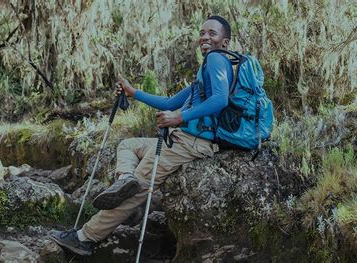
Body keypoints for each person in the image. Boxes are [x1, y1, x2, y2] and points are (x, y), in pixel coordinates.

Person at [50, 15, 234, 256]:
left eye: (212, 33)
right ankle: (126, 179)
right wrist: (133, 92)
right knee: (129, 145)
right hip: (183, 139)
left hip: (190, 143)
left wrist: (179, 118)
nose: (205, 37)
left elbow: (220, 100)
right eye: (202, 33)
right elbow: (170, 101)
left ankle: (85, 237)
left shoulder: (216, 60)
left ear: (225, 41)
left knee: (139, 188)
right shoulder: (205, 72)